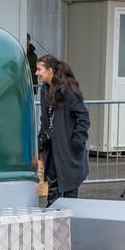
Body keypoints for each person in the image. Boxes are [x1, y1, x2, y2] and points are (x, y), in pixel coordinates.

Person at [34, 54, 90, 203]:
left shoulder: (68, 91)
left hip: (68, 150)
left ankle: (68, 221)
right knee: (53, 189)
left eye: (39, 69)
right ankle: (54, 221)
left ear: (50, 70)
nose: (36, 73)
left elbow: (83, 117)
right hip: (52, 149)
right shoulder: (45, 90)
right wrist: (41, 139)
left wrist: (76, 142)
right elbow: (45, 119)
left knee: (70, 191)